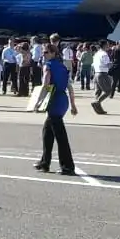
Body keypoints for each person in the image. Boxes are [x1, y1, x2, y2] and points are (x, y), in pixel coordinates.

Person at [33, 43, 77, 176]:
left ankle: (68, 166)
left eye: (46, 52)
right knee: (47, 131)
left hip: (54, 100)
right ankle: (44, 162)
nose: (44, 54)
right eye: (43, 52)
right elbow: (69, 87)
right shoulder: (62, 67)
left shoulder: (49, 66)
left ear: (53, 53)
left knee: (60, 135)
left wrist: (38, 102)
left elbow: (45, 84)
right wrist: (73, 105)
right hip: (62, 99)